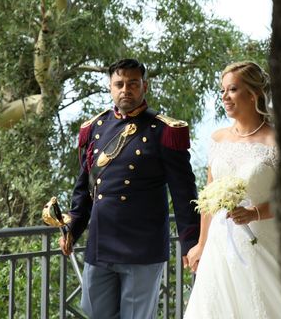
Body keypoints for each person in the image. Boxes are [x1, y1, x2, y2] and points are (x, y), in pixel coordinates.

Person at [60, 58, 200, 319]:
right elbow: (84, 186)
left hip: (142, 247)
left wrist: (191, 242)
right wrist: (73, 227)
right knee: (95, 312)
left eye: (133, 84)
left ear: (144, 86)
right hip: (101, 242)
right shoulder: (95, 128)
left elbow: (184, 193)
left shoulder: (164, 130)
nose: (126, 89)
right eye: (119, 84)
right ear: (110, 88)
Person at [184, 61, 281, 318]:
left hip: (261, 243)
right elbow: (208, 198)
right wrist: (201, 244)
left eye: (232, 90)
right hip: (220, 248)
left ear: (253, 94)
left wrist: (255, 213)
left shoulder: (278, 141)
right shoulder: (218, 139)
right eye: (222, 91)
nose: (224, 97)